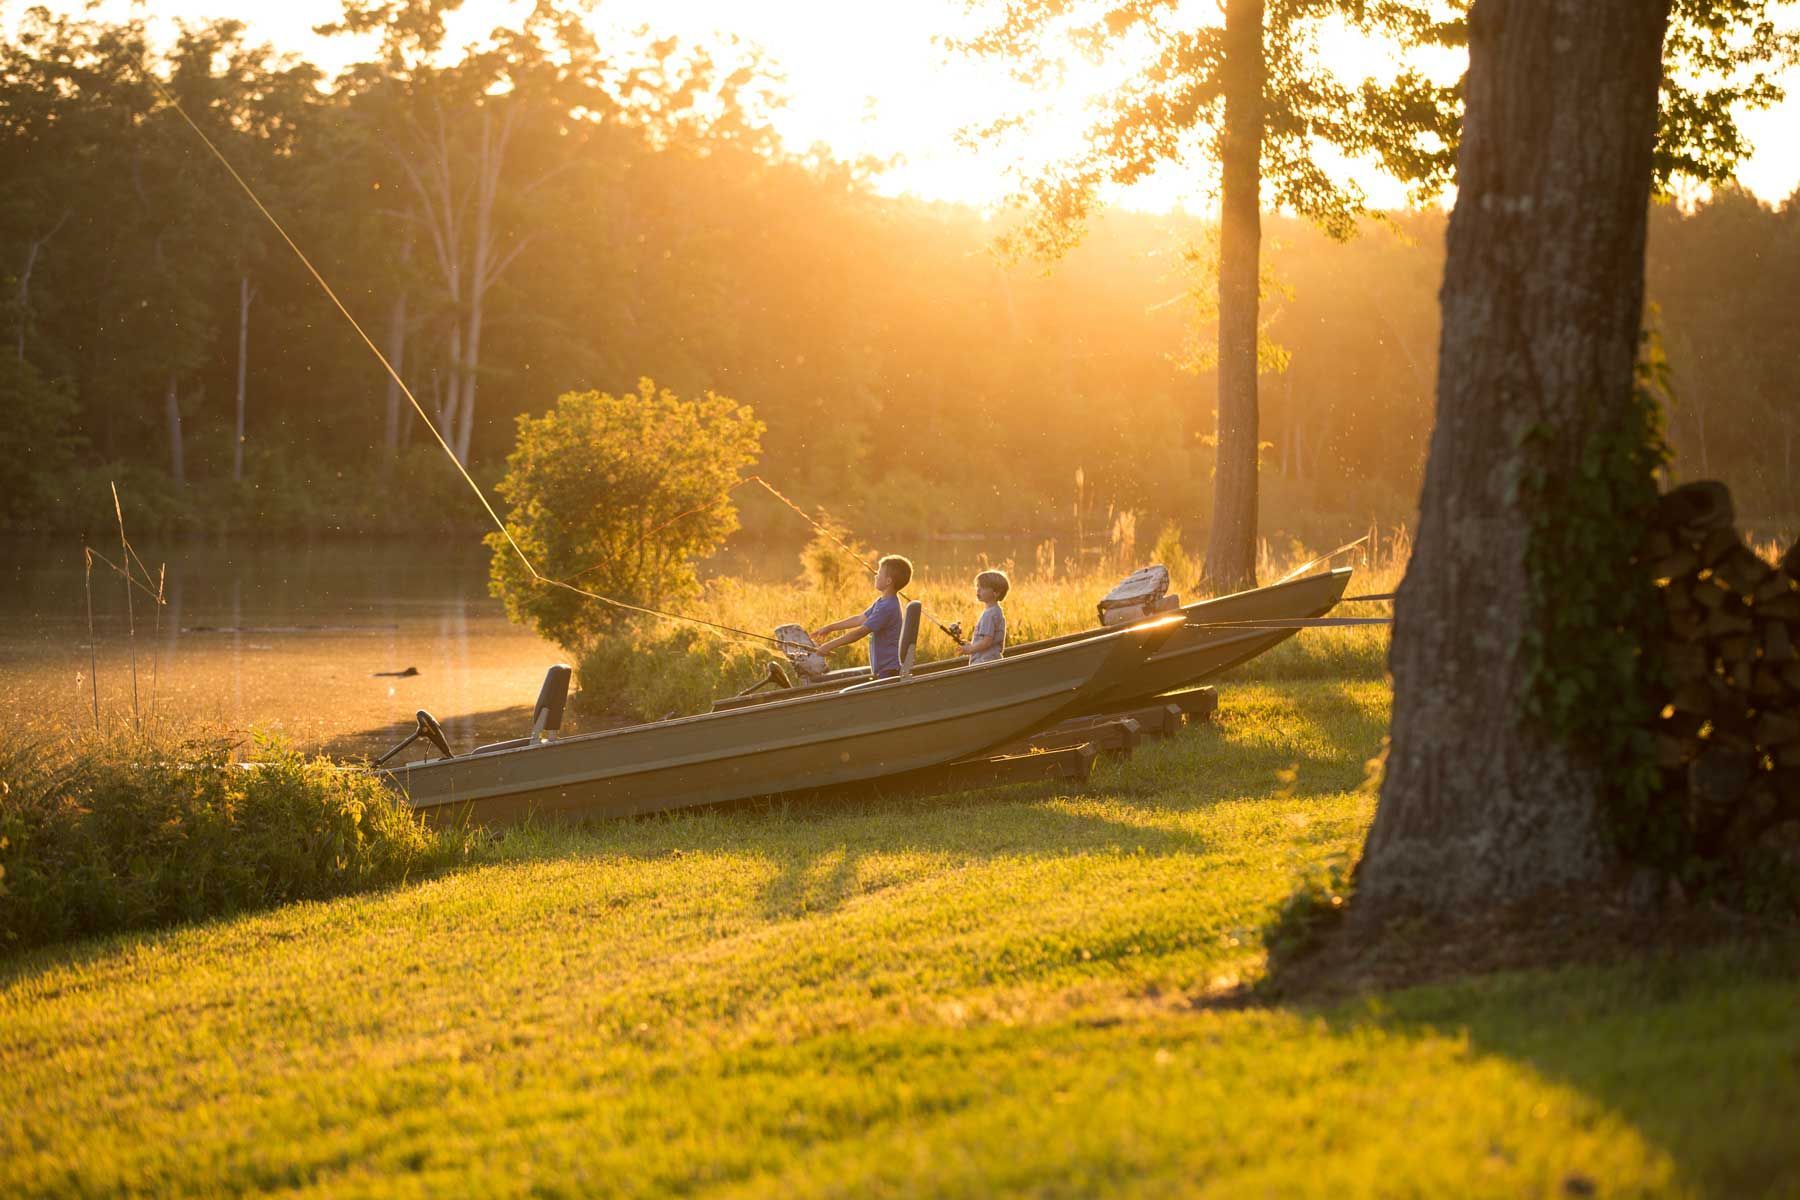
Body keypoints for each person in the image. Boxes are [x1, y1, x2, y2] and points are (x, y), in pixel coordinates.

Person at [812, 554, 912, 680]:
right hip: (884, 668)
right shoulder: (882, 601)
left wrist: (829, 645)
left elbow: (859, 633)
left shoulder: (888, 607)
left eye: (879, 573)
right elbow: (860, 619)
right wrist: (830, 628)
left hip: (889, 670)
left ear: (888, 581)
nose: (876, 575)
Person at [958, 569, 1008, 665]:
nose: (978, 590)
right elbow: (991, 641)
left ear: (996, 592)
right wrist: (971, 644)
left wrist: (970, 649)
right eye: (977, 587)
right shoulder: (998, 611)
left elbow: (986, 642)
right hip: (993, 659)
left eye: (983, 588)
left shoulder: (989, 615)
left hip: (983, 662)